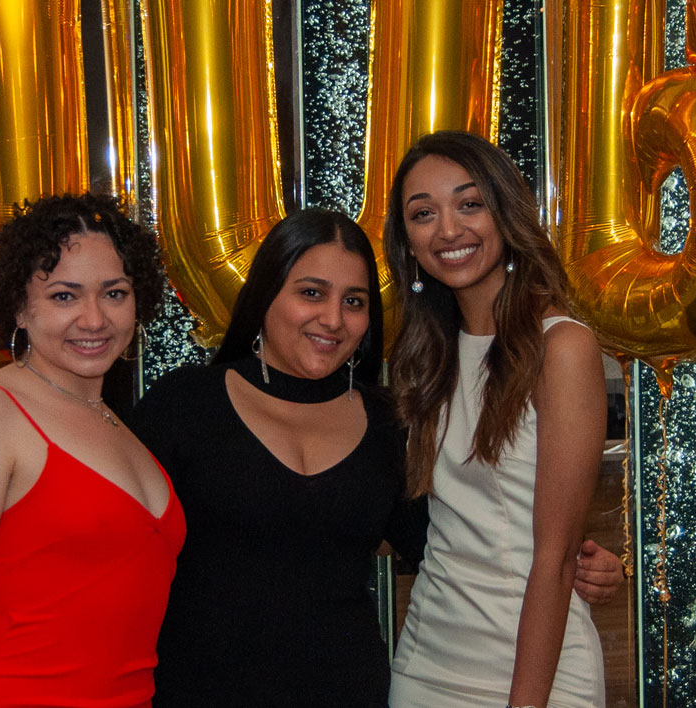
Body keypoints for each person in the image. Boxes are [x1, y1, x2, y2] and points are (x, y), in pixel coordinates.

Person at [133, 208, 620, 708]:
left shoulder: (385, 421)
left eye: (354, 301)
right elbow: (112, 550)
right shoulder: (186, 405)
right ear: (265, 294)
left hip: (350, 690)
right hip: (197, 689)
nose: (333, 318)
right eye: (311, 293)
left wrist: (579, 558)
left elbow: (450, 536)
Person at [0, 193, 182, 708]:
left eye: (115, 293)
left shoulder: (115, 424)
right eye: (64, 296)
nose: (94, 318)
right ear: (19, 306)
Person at [384, 131, 609, 708]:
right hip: (427, 663)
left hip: (535, 671)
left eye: (469, 204)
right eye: (423, 214)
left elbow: (555, 558)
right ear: (407, 241)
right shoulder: (421, 354)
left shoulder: (561, 348)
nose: (448, 230)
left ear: (505, 213)